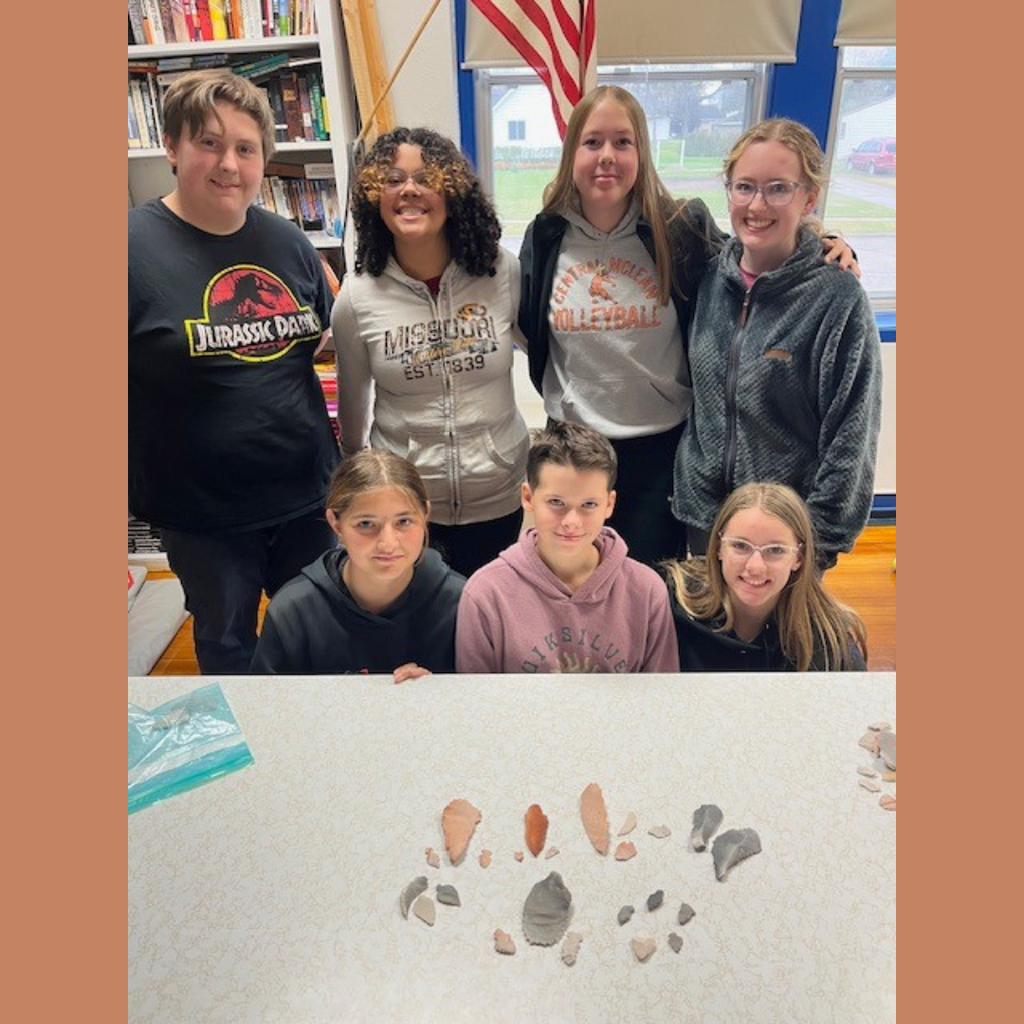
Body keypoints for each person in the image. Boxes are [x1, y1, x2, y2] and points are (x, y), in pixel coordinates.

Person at [518, 86, 857, 569]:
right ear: (572, 152)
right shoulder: (546, 235)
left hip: (659, 451)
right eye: (592, 142)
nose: (607, 155)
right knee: (571, 578)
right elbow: (530, 328)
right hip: (573, 450)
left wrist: (820, 237)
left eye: (623, 141)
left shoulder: (679, 227)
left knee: (652, 587)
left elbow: (752, 250)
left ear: (642, 152)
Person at [128, 69, 339, 674]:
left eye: (246, 149)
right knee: (228, 649)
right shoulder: (129, 248)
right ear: (172, 147)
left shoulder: (289, 242)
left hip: (306, 495)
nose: (228, 164)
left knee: (318, 639)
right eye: (209, 143)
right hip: (203, 514)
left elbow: (318, 341)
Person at [671, 117, 882, 572]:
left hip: (786, 537)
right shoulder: (709, 276)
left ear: (810, 197)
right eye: (744, 187)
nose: (757, 204)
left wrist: (817, 542)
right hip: (706, 521)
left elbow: (852, 436)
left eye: (779, 189)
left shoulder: (836, 298)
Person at [332, 127, 530, 581]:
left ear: (453, 191)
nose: (409, 190)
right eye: (393, 179)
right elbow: (352, 412)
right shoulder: (357, 298)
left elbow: (545, 356)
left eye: (425, 178)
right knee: (421, 617)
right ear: (373, 198)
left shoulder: (501, 271)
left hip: (498, 493)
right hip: (405, 508)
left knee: (488, 613)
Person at [455, 421, 679, 674]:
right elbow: (476, 696)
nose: (571, 522)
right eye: (556, 502)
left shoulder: (647, 591)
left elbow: (661, 693)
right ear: (528, 497)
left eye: (589, 505)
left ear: (609, 504)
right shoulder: (486, 593)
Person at [250, 450, 466, 679]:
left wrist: (436, 692)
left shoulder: (462, 604)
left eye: (403, 521)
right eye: (365, 524)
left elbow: (482, 695)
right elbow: (266, 699)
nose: (388, 544)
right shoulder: (293, 611)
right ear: (336, 524)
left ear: (425, 515)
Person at [663, 482, 867, 671]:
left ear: (799, 558)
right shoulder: (672, 603)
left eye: (775, 550)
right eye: (740, 546)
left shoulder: (829, 640)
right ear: (718, 548)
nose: (755, 567)